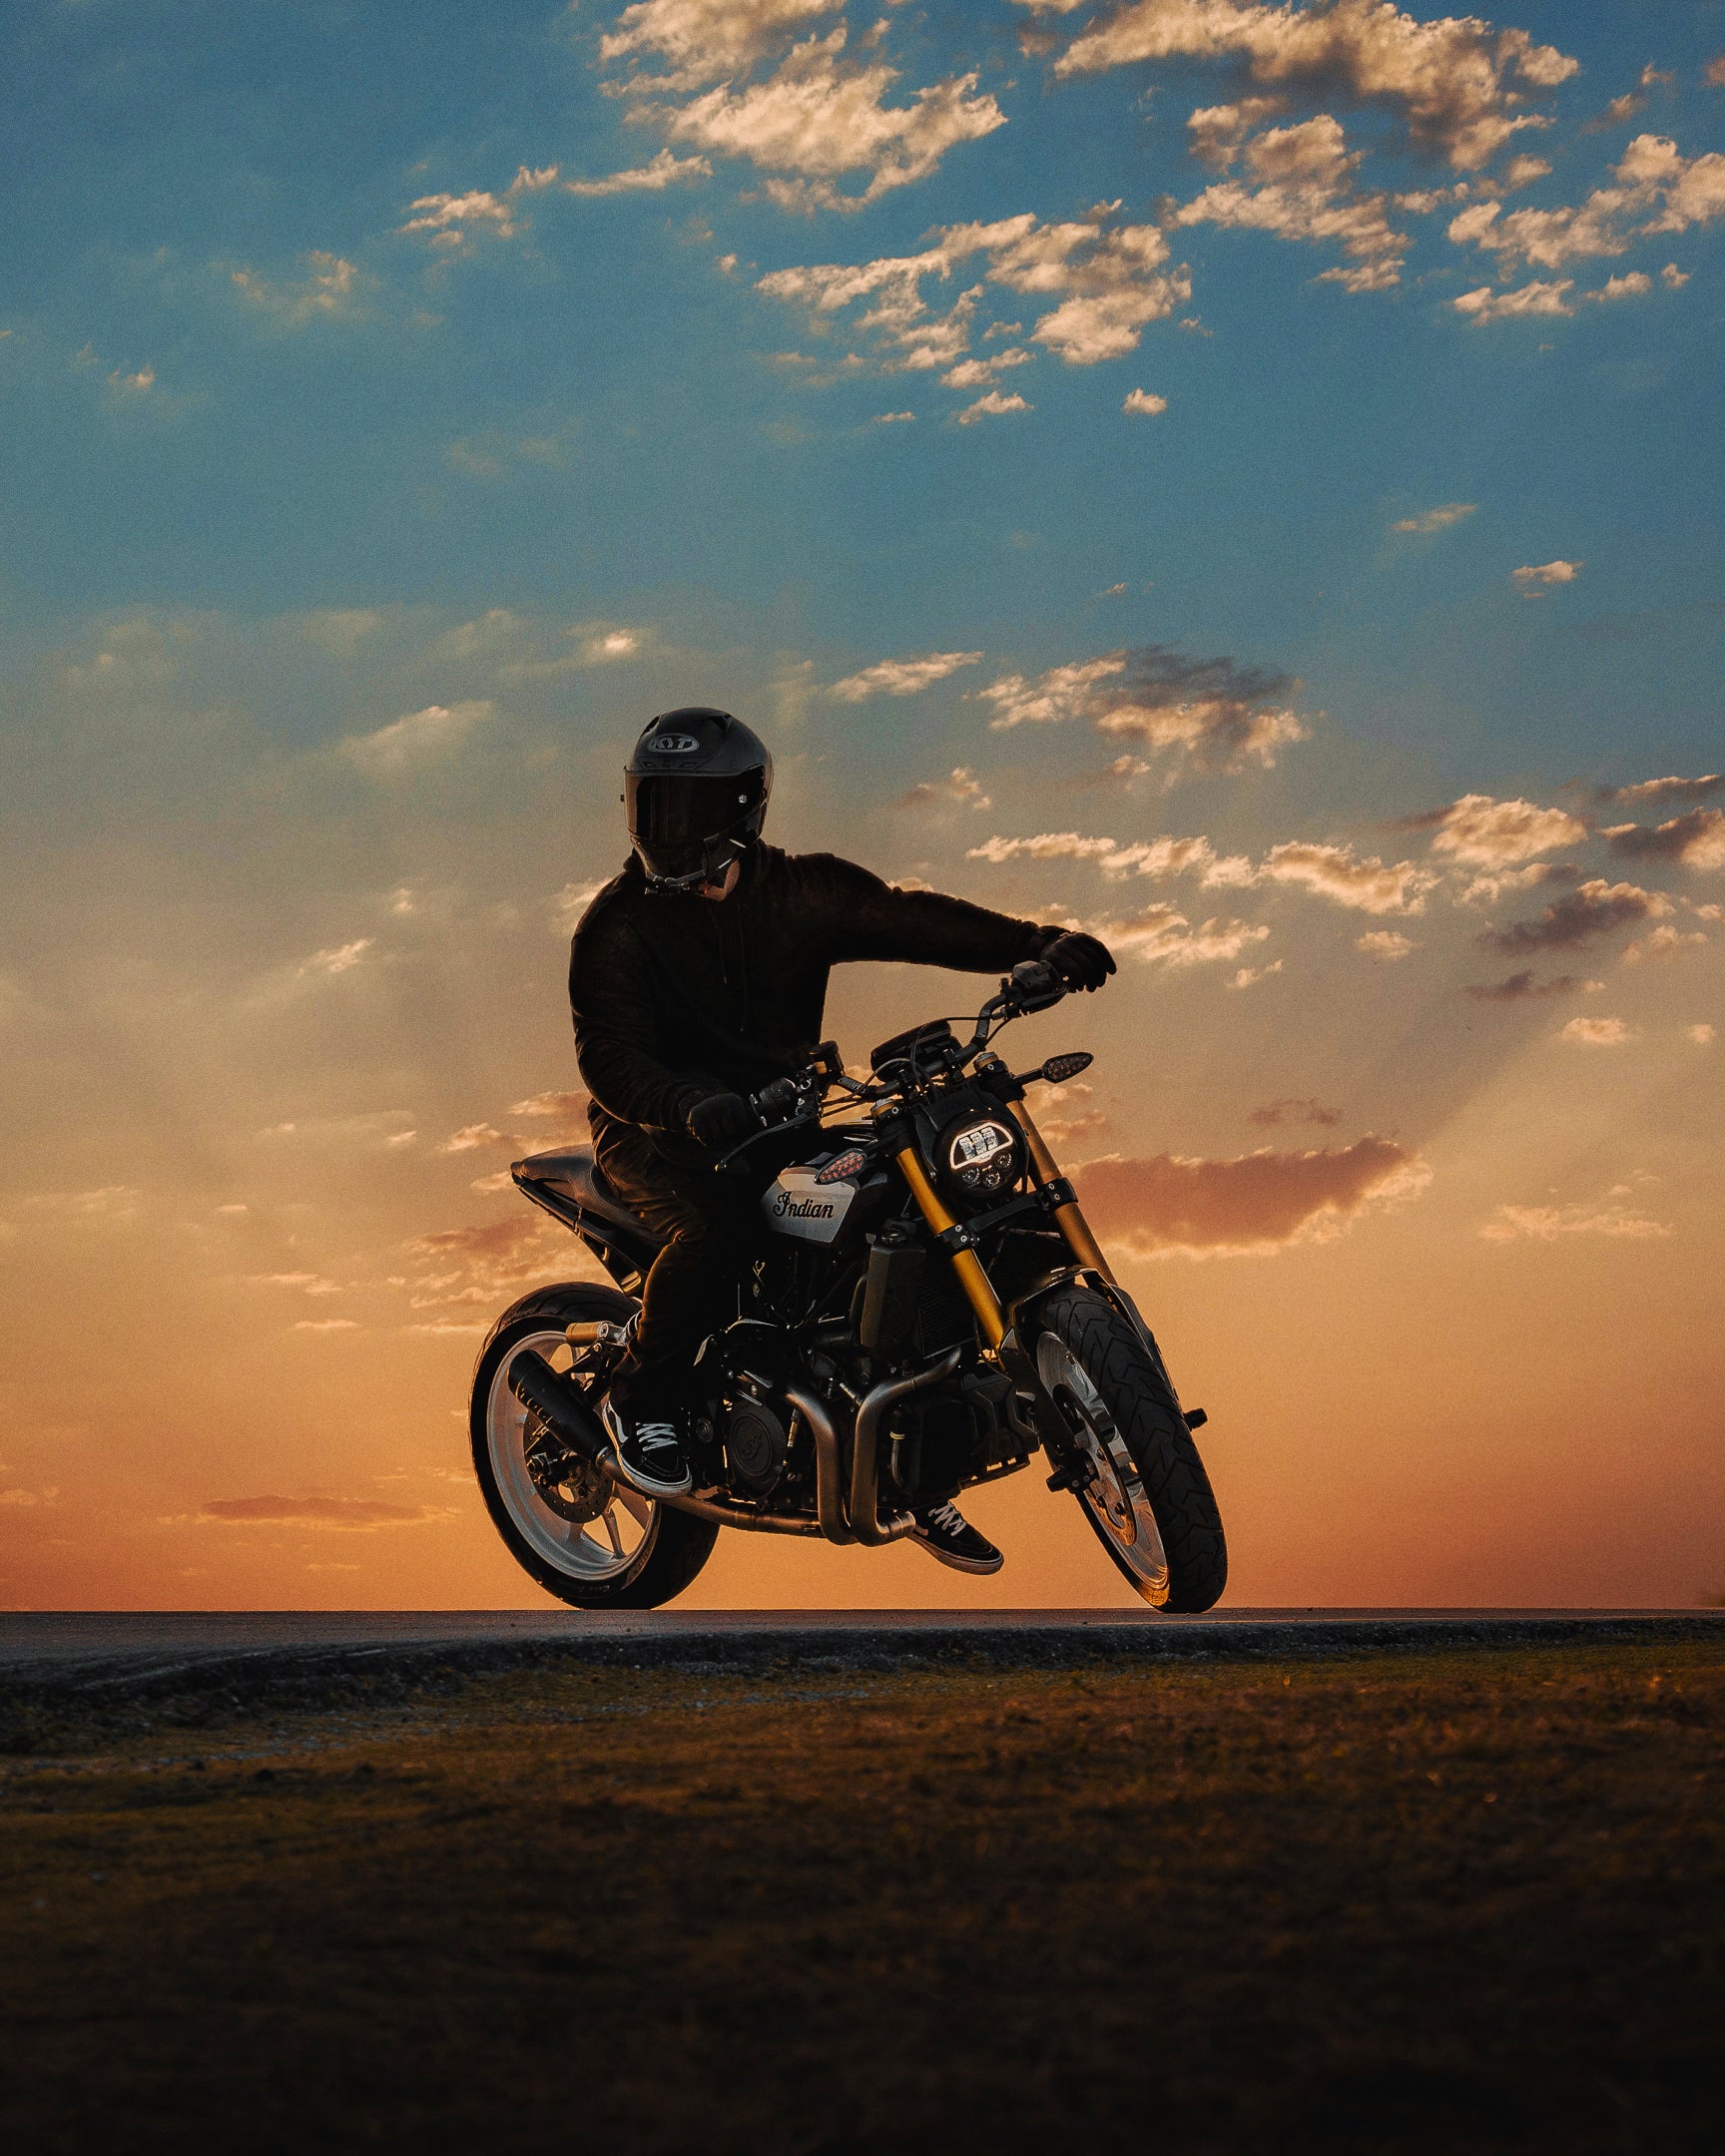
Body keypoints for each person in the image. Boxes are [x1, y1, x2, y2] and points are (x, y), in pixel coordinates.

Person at [568, 707, 1114, 1574]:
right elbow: (608, 1053)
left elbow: (912, 920)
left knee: (892, 1218)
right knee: (721, 1230)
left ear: (742, 810)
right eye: (654, 804)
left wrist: (1036, 943)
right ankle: (643, 1395)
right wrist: (688, 1104)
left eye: (686, 806)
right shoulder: (618, 925)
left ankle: (910, 1462)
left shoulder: (803, 891)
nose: (666, 829)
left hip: (782, 1115)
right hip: (658, 1135)